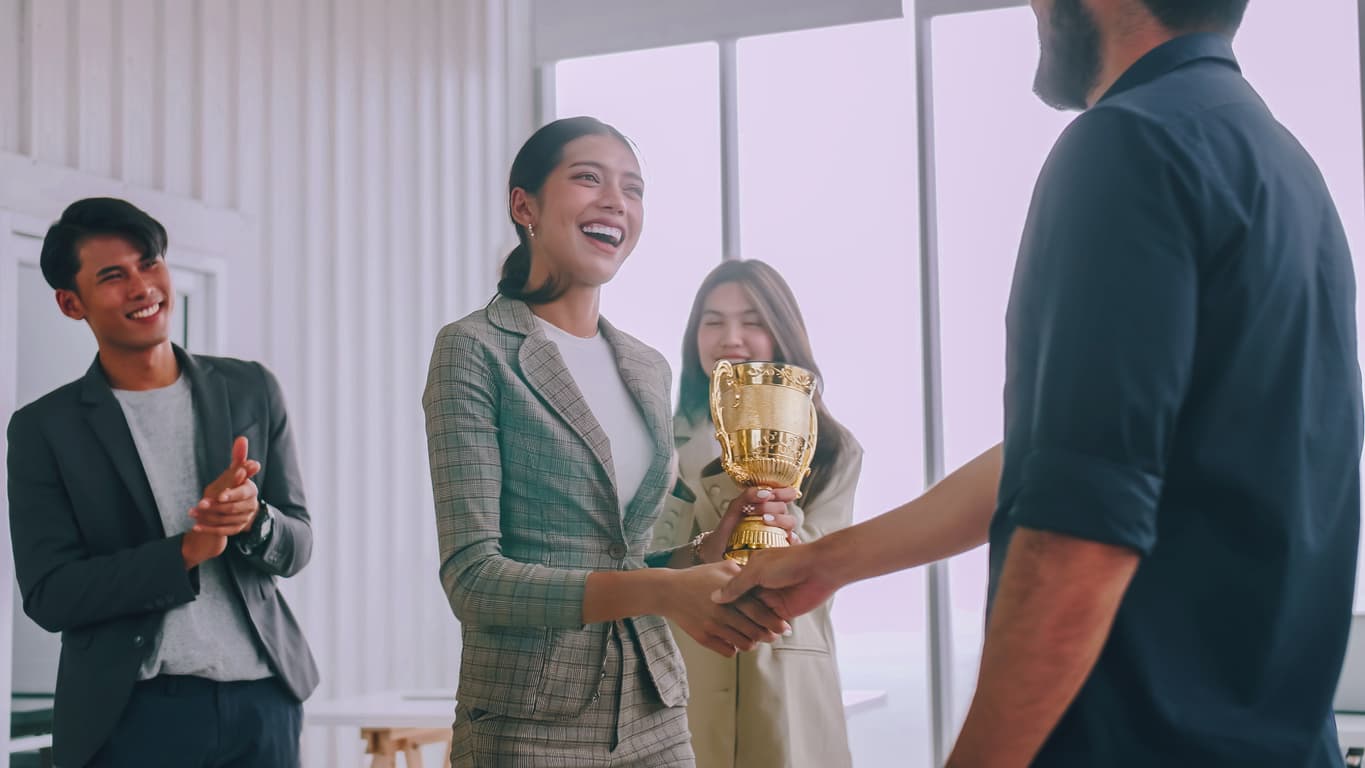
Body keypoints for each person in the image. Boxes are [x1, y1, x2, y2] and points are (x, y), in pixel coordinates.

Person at [717, 1, 1363, 765]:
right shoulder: (1279, 163)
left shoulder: (1128, 142)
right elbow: (1068, 455)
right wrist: (823, 563)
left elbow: (1078, 533)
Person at [422, 116, 797, 766]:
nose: (614, 201)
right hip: (526, 721)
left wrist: (707, 548)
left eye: (632, 187)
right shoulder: (475, 350)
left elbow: (628, 562)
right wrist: (659, 594)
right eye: (587, 178)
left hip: (656, 710)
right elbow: (473, 579)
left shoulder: (645, 367)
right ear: (524, 205)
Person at [6, 197, 318, 768]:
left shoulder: (251, 389)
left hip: (263, 703)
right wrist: (185, 554)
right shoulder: (43, 431)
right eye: (113, 276)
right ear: (71, 303)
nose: (142, 286)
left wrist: (255, 520)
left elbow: (298, 545)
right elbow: (50, 594)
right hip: (133, 718)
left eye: (149, 263)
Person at [650, 259, 861, 768]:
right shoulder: (657, 439)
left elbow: (818, 559)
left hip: (787, 668)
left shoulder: (832, 447)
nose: (731, 337)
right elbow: (645, 556)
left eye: (753, 320)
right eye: (713, 320)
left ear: (781, 332)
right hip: (684, 667)